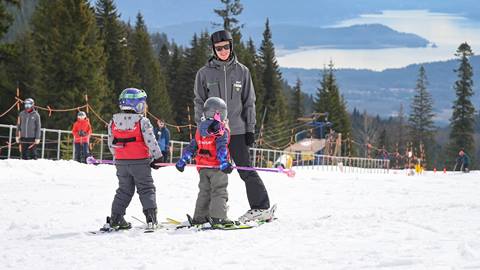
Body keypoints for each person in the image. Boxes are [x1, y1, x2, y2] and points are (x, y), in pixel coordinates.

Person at [193, 29, 272, 222]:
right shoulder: (204, 74)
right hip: (213, 133)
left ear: (231, 46)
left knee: (245, 168)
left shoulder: (242, 72)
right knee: (211, 172)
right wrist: (203, 127)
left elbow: (249, 101)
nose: (223, 51)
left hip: (236, 130)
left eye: (226, 47)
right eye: (219, 48)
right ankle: (211, 212)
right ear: (213, 49)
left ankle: (260, 207)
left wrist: (250, 128)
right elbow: (198, 101)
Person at [106, 88, 163, 230]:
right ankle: (151, 218)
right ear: (138, 105)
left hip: (121, 162)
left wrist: (118, 156)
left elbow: (110, 142)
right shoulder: (142, 121)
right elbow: (150, 140)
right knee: (146, 188)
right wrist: (158, 156)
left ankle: (116, 218)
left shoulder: (113, 121)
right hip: (140, 161)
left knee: (124, 190)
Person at [175, 97, 233, 225]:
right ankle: (219, 217)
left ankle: (200, 218)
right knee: (219, 191)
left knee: (204, 192)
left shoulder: (200, 128)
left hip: (202, 168)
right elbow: (221, 147)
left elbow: (192, 146)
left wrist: (183, 160)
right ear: (219, 113)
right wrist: (224, 162)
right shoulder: (221, 130)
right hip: (217, 168)